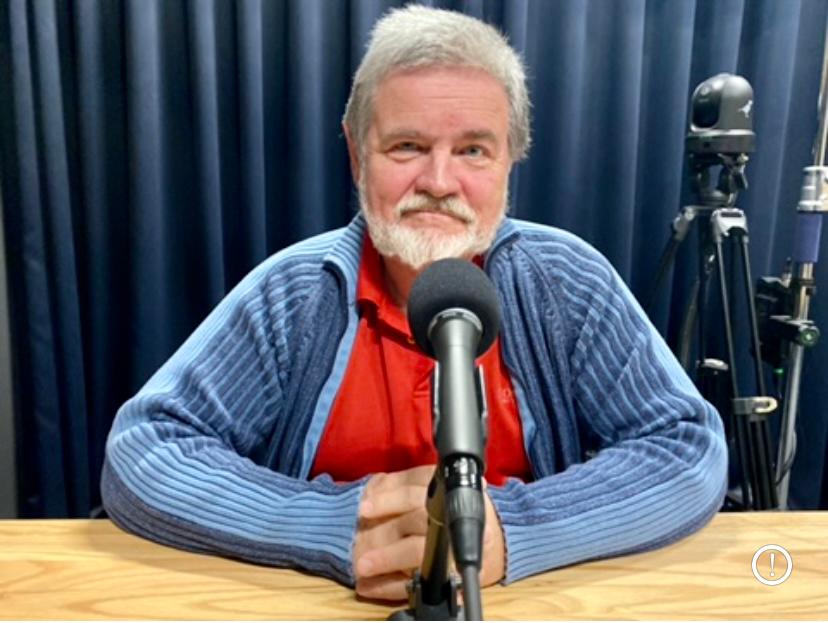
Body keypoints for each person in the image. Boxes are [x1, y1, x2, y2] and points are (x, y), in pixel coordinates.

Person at [101, 5, 728, 602]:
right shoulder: (292, 294)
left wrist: (516, 528)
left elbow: (685, 447)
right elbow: (145, 449)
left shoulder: (568, 283)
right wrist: (330, 524)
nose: (438, 182)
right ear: (356, 154)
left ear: (511, 160)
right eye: (407, 147)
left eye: (473, 150)